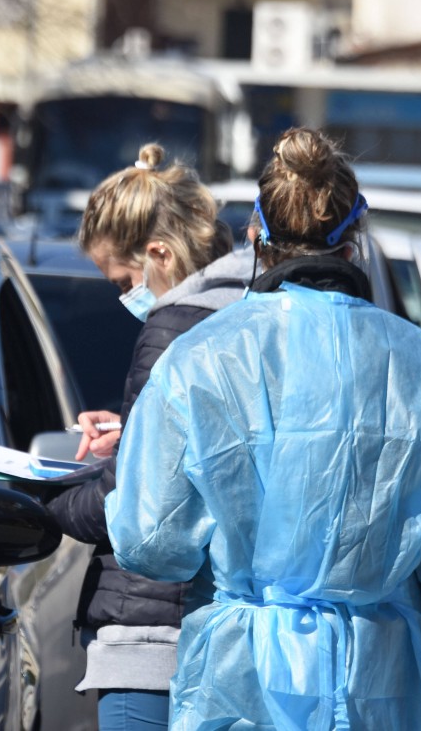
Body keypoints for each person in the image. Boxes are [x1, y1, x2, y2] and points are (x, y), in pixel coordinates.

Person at [106, 127, 421, 731]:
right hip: (379, 687)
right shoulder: (417, 361)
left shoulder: (200, 357)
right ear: (356, 243)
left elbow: (150, 543)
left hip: (240, 688)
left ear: (253, 237)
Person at [45, 143, 253, 731]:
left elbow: (130, 509)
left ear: (159, 253)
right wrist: (135, 432)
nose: (123, 296)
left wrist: (40, 497)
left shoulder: (173, 325)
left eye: (124, 279)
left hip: (157, 633)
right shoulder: (250, 306)